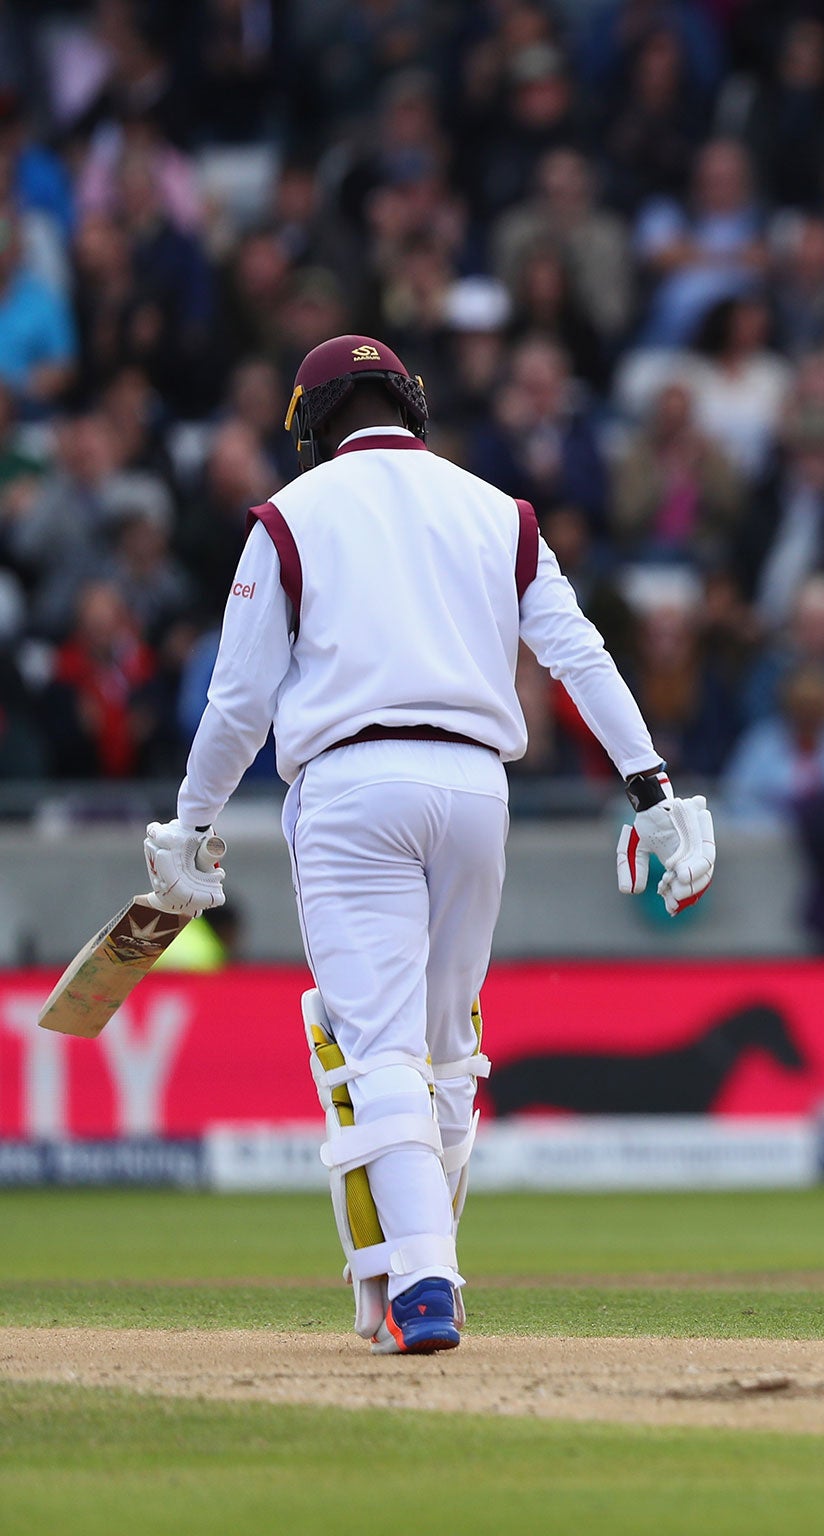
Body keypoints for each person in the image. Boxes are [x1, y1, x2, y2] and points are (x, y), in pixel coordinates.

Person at [138, 335, 716, 1354]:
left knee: (381, 1050)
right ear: (410, 404)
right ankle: (416, 1271)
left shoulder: (289, 517)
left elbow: (238, 701)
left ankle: (420, 1287)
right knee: (449, 1053)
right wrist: (652, 789)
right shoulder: (501, 512)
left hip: (354, 786)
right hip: (474, 791)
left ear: (311, 426)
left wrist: (193, 820)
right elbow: (578, 655)